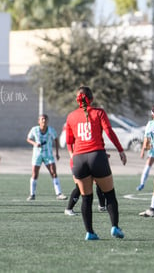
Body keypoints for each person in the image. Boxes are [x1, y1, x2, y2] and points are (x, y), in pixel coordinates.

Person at [65, 86, 127, 240]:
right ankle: (115, 228)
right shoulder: (99, 112)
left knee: (86, 198)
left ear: (77, 100)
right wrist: (120, 150)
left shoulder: (71, 116)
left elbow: (68, 142)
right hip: (97, 157)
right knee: (110, 195)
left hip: (79, 159)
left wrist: (73, 157)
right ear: (91, 98)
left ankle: (90, 233)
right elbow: (109, 132)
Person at [26, 114, 67, 201]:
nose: (44, 121)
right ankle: (32, 194)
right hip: (37, 155)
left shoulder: (51, 130)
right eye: (42, 119)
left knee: (53, 173)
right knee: (34, 174)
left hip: (48, 155)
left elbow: (56, 139)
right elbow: (28, 139)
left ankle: (59, 193)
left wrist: (57, 153)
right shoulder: (34, 129)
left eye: (45, 119)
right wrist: (34, 144)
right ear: (39, 121)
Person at [64, 142, 107, 216]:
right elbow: (69, 142)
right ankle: (69, 209)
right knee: (79, 186)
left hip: (91, 159)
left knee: (99, 182)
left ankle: (102, 206)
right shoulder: (77, 132)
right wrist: (72, 155)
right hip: (79, 160)